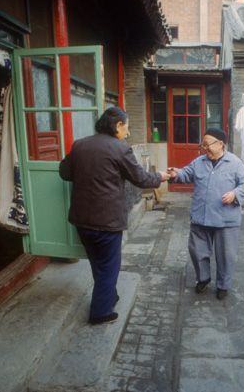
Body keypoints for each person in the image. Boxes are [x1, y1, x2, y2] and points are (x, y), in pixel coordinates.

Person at [59, 107, 169, 325]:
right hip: (106, 221)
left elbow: (65, 172)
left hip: (82, 219)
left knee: (97, 264)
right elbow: (140, 179)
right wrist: (161, 176)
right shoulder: (120, 149)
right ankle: (100, 312)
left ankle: (110, 296)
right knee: (109, 266)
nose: (127, 132)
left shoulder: (80, 144)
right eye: (126, 127)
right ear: (118, 125)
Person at [167, 128, 244, 300]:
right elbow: (187, 174)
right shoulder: (199, 161)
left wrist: (235, 194)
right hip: (201, 215)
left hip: (226, 218)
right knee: (197, 251)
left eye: (207, 144)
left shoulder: (234, 162)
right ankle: (203, 278)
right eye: (203, 144)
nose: (204, 147)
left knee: (226, 255)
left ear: (220, 144)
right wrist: (176, 173)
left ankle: (223, 285)